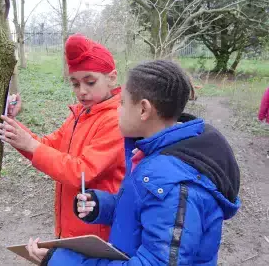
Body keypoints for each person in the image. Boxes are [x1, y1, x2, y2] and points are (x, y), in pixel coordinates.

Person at [27, 60, 241, 265]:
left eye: (122, 103)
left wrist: (60, 262)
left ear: (144, 110)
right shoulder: (154, 154)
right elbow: (146, 213)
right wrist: (104, 206)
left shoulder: (171, 185)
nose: (117, 110)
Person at [0, 34, 125, 241]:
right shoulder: (80, 114)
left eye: (90, 82)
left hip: (97, 232)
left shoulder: (116, 120)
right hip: (72, 227)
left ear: (111, 78)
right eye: (75, 84)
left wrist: (31, 145)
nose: (82, 91)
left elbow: (82, 172)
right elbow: (47, 146)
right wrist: (14, 127)